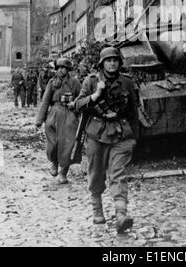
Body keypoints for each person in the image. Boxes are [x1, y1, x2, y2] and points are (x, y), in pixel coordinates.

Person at [75, 47, 139, 234]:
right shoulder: (91, 81)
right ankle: (97, 210)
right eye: (108, 60)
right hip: (97, 134)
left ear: (119, 62)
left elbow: (133, 111)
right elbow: (78, 105)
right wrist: (95, 95)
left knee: (118, 172)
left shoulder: (126, 82)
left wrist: (135, 137)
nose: (112, 63)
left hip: (120, 133)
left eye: (115, 60)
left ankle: (121, 214)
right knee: (95, 173)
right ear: (101, 63)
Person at [35, 58, 81, 184]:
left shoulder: (75, 82)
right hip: (54, 114)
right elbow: (45, 101)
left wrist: (74, 104)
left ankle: (63, 173)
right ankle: (54, 162)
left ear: (68, 69)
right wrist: (39, 119)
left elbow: (81, 98)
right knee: (53, 143)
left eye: (64, 68)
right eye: (59, 68)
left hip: (70, 115)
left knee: (67, 144)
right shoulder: (52, 82)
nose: (61, 70)